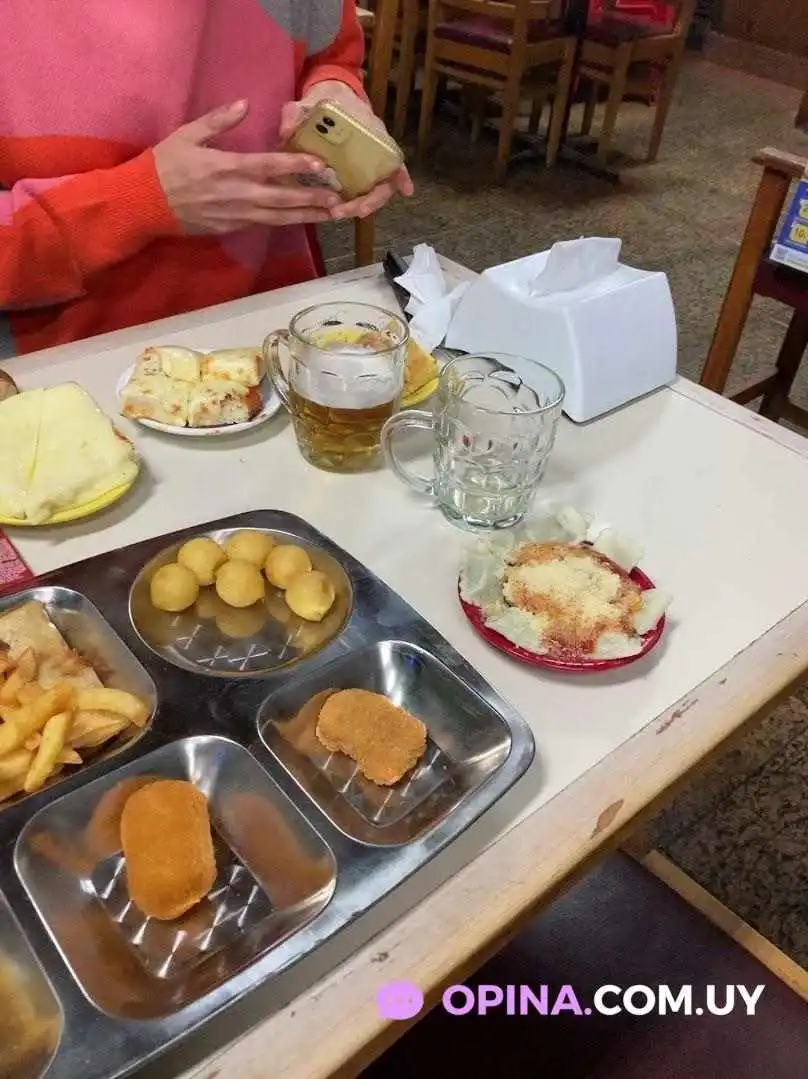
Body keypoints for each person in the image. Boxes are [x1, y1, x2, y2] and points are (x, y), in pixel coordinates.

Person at [0, 1, 413, 358]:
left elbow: (328, 53)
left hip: (276, 321)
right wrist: (140, 200)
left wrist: (335, 90)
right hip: (64, 358)